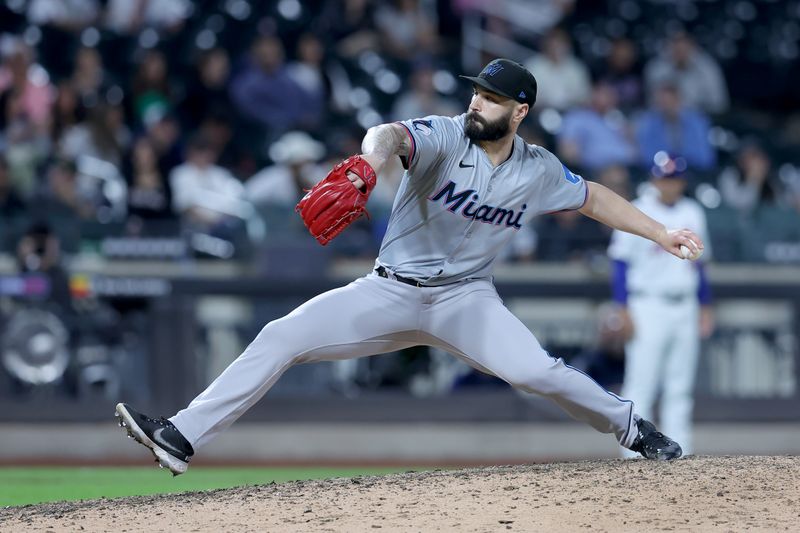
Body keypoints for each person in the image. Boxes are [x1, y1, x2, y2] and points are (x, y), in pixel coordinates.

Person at [116, 59, 704, 475]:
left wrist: (659, 232)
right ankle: (181, 436)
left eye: (492, 97)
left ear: (519, 111)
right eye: (476, 92)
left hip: (466, 300)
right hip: (389, 291)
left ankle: (632, 428)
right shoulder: (445, 137)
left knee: (538, 373)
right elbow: (389, 133)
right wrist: (366, 165)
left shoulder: (538, 168)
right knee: (280, 335)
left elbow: (594, 197)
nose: (477, 101)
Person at [608, 152, 713, 457]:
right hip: (647, 305)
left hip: (685, 304)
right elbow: (619, 263)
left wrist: (705, 305)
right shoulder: (637, 210)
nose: (670, 184)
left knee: (680, 386)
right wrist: (622, 308)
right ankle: (633, 454)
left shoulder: (693, 211)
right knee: (641, 383)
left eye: (675, 178)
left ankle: (681, 454)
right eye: (665, 178)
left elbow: (700, 264)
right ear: (654, 179)